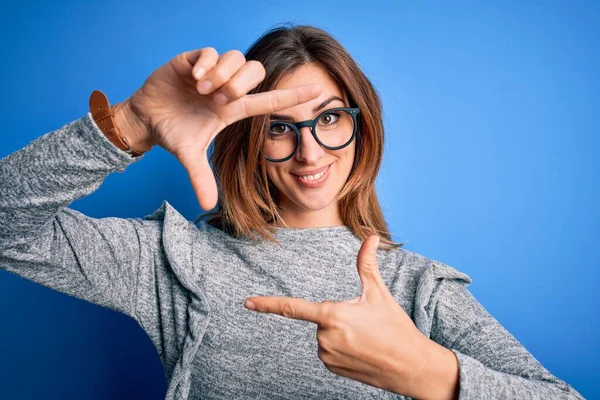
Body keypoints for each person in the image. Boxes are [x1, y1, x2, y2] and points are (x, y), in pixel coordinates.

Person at [0, 24, 584, 400]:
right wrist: (128, 124)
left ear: (362, 126)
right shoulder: (173, 260)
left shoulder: (416, 287)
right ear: (247, 138)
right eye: (280, 127)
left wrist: (432, 375)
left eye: (330, 118)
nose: (308, 151)